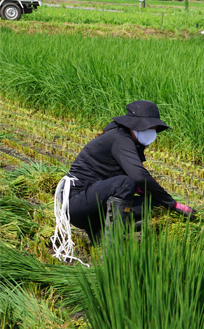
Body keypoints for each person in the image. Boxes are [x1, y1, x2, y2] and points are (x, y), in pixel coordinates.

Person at [54, 100, 193, 245]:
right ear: (135, 125)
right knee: (124, 183)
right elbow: (139, 175)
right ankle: (111, 244)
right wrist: (173, 204)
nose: (152, 130)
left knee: (155, 205)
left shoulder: (131, 142)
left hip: (96, 202)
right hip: (76, 203)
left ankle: (99, 234)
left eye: (154, 127)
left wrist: (163, 202)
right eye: (149, 127)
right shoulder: (120, 138)